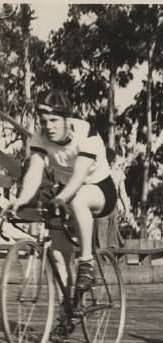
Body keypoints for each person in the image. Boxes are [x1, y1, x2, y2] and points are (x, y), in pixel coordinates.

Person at [3, 90, 117, 292]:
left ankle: (86, 262)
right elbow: (34, 173)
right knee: (58, 254)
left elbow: (79, 176)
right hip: (65, 191)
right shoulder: (40, 137)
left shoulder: (86, 133)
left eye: (54, 120)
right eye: (44, 121)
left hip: (99, 189)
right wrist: (21, 200)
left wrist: (61, 197)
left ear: (67, 119)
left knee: (78, 199)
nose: (49, 127)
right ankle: (68, 305)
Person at [106, 147, 137, 233]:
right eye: (118, 164)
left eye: (120, 165)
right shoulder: (101, 172)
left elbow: (123, 193)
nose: (120, 167)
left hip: (113, 207)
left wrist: (127, 210)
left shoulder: (119, 173)